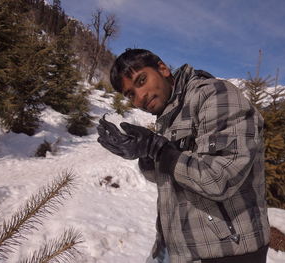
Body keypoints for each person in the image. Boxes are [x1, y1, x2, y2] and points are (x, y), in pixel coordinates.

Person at [96, 48, 270, 263]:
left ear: (163, 69)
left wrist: (158, 149)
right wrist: (143, 152)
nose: (139, 97)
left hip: (227, 252)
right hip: (176, 248)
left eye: (141, 80)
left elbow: (219, 178)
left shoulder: (215, 95)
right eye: (130, 94)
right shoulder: (170, 113)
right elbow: (164, 174)